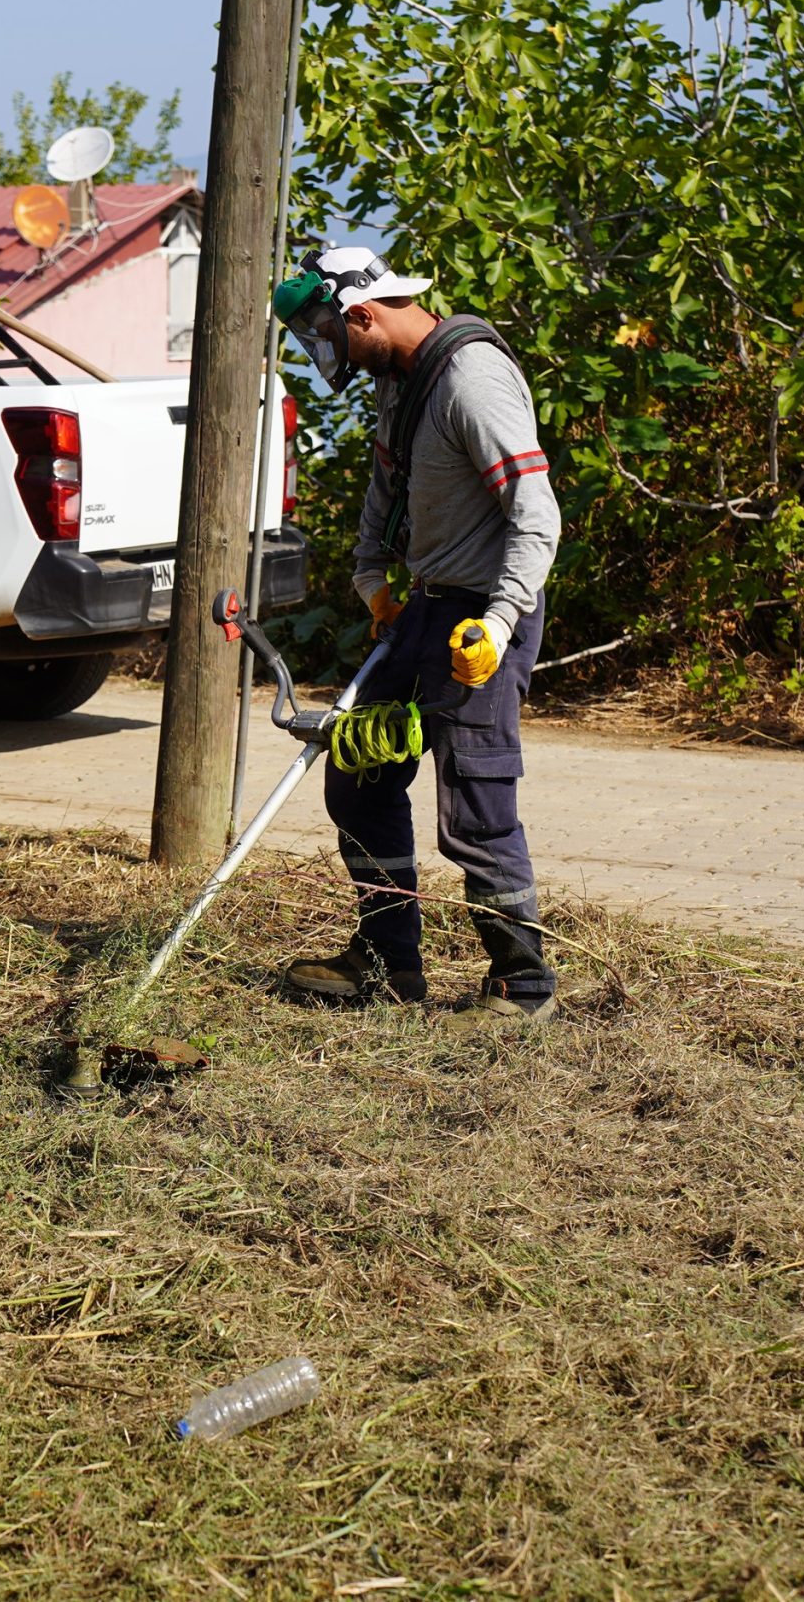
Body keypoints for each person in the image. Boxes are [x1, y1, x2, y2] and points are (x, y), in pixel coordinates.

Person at [270, 247, 564, 1026]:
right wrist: (374, 581)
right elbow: (383, 488)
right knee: (358, 773)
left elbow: (537, 518)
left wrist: (498, 626)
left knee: (475, 802)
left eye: (327, 333)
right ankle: (389, 961)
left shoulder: (472, 381)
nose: (324, 351)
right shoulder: (399, 385)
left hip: (483, 613)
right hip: (427, 608)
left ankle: (521, 984)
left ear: (364, 313)